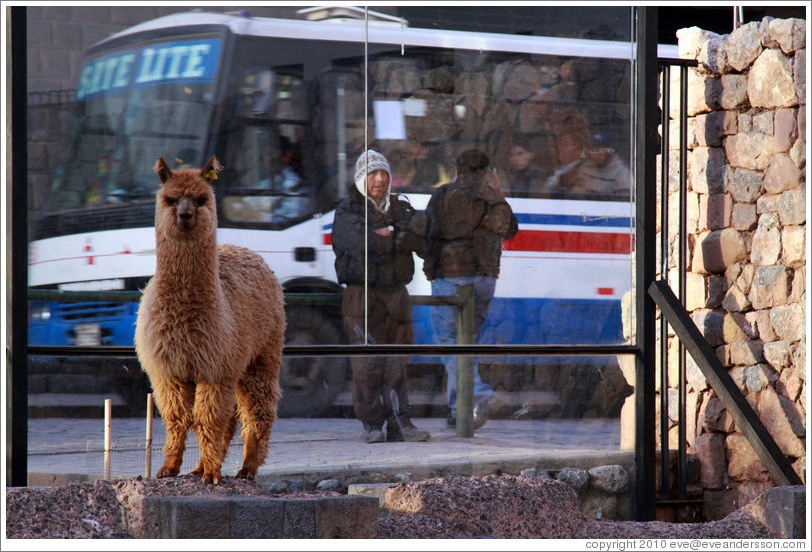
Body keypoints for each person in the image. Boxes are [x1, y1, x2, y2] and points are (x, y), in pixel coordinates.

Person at [331, 150, 431, 444]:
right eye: (372, 174)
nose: (379, 179)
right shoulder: (348, 209)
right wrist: (386, 235)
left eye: (383, 173)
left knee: (398, 361)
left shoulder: (399, 207)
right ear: (362, 178)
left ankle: (401, 423)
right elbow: (358, 242)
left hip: (396, 294)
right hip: (362, 296)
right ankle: (372, 424)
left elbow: (419, 237)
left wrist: (390, 233)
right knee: (367, 362)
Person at [423, 149, 519, 430]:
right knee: (467, 345)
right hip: (486, 280)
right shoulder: (492, 197)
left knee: (448, 343)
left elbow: (429, 234)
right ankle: (459, 411)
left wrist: (430, 271)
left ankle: (480, 394)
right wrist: (497, 194)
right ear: (487, 172)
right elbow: (510, 229)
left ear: (457, 170)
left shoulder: (444, 194)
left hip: (452, 278)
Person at [579, 133, 631, 199]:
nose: (596, 153)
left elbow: (624, 201)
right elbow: (575, 195)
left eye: (600, 149)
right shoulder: (585, 168)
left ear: (609, 149)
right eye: (593, 149)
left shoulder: (621, 171)